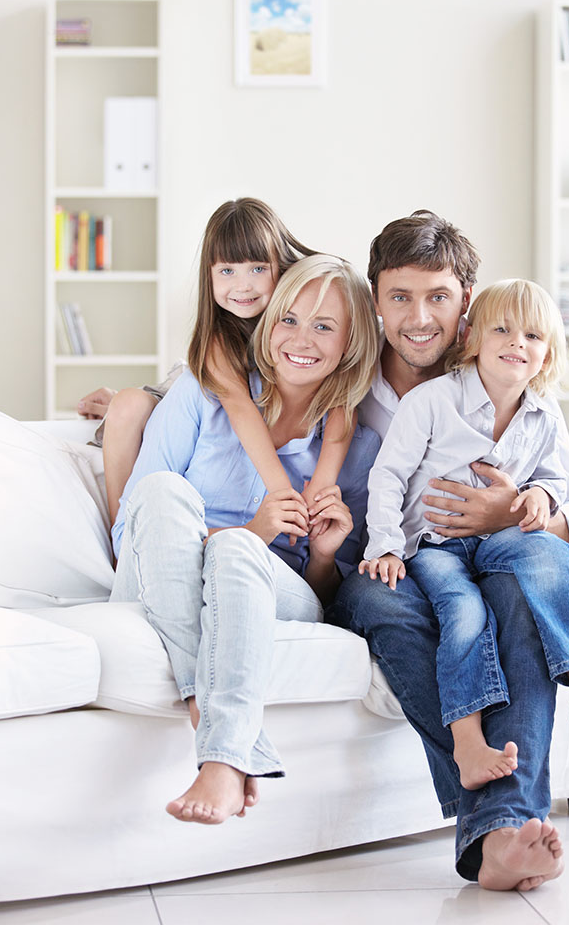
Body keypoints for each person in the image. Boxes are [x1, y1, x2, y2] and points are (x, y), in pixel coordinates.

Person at [327, 209, 569, 891]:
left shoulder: (517, 390)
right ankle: (501, 825)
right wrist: (149, 398)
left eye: (439, 298)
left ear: (466, 308)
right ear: (376, 302)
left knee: (517, 594)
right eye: (400, 297)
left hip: (481, 556)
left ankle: (499, 834)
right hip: (380, 560)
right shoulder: (347, 374)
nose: (419, 317)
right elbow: (264, 365)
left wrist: (518, 511)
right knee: (393, 608)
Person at [110, 254, 380, 824]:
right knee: (162, 489)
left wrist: (327, 553)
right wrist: (252, 530)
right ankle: (220, 735)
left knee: (236, 552)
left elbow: (325, 596)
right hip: (160, 567)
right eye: (289, 319)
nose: (301, 339)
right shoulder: (202, 396)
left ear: (351, 345)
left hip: (274, 588)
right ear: (269, 321)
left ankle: (220, 750)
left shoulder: (357, 450)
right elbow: (136, 522)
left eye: (325, 327)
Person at [359, 277, 569, 794]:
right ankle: (467, 738)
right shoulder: (434, 401)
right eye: (502, 330)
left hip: (498, 540)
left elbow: (554, 479)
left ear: (547, 356)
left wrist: (540, 499)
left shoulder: (545, 414)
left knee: (547, 550)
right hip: (435, 544)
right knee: (464, 610)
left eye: (532, 336)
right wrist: (387, 545)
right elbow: (388, 475)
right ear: (472, 339)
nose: (516, 343)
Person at [79, 198, 356, 527]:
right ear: (208, 276)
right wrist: (283, 492)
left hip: (220, 397)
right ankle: (121, 540)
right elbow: (239, 408)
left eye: (257, 269)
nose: (243, 286)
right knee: (127, 405)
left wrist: (321, 487)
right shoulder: (219, 339)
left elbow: (343, 397)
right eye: (227, 271)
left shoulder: (305, 296)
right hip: (189, 395)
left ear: (279, 265)